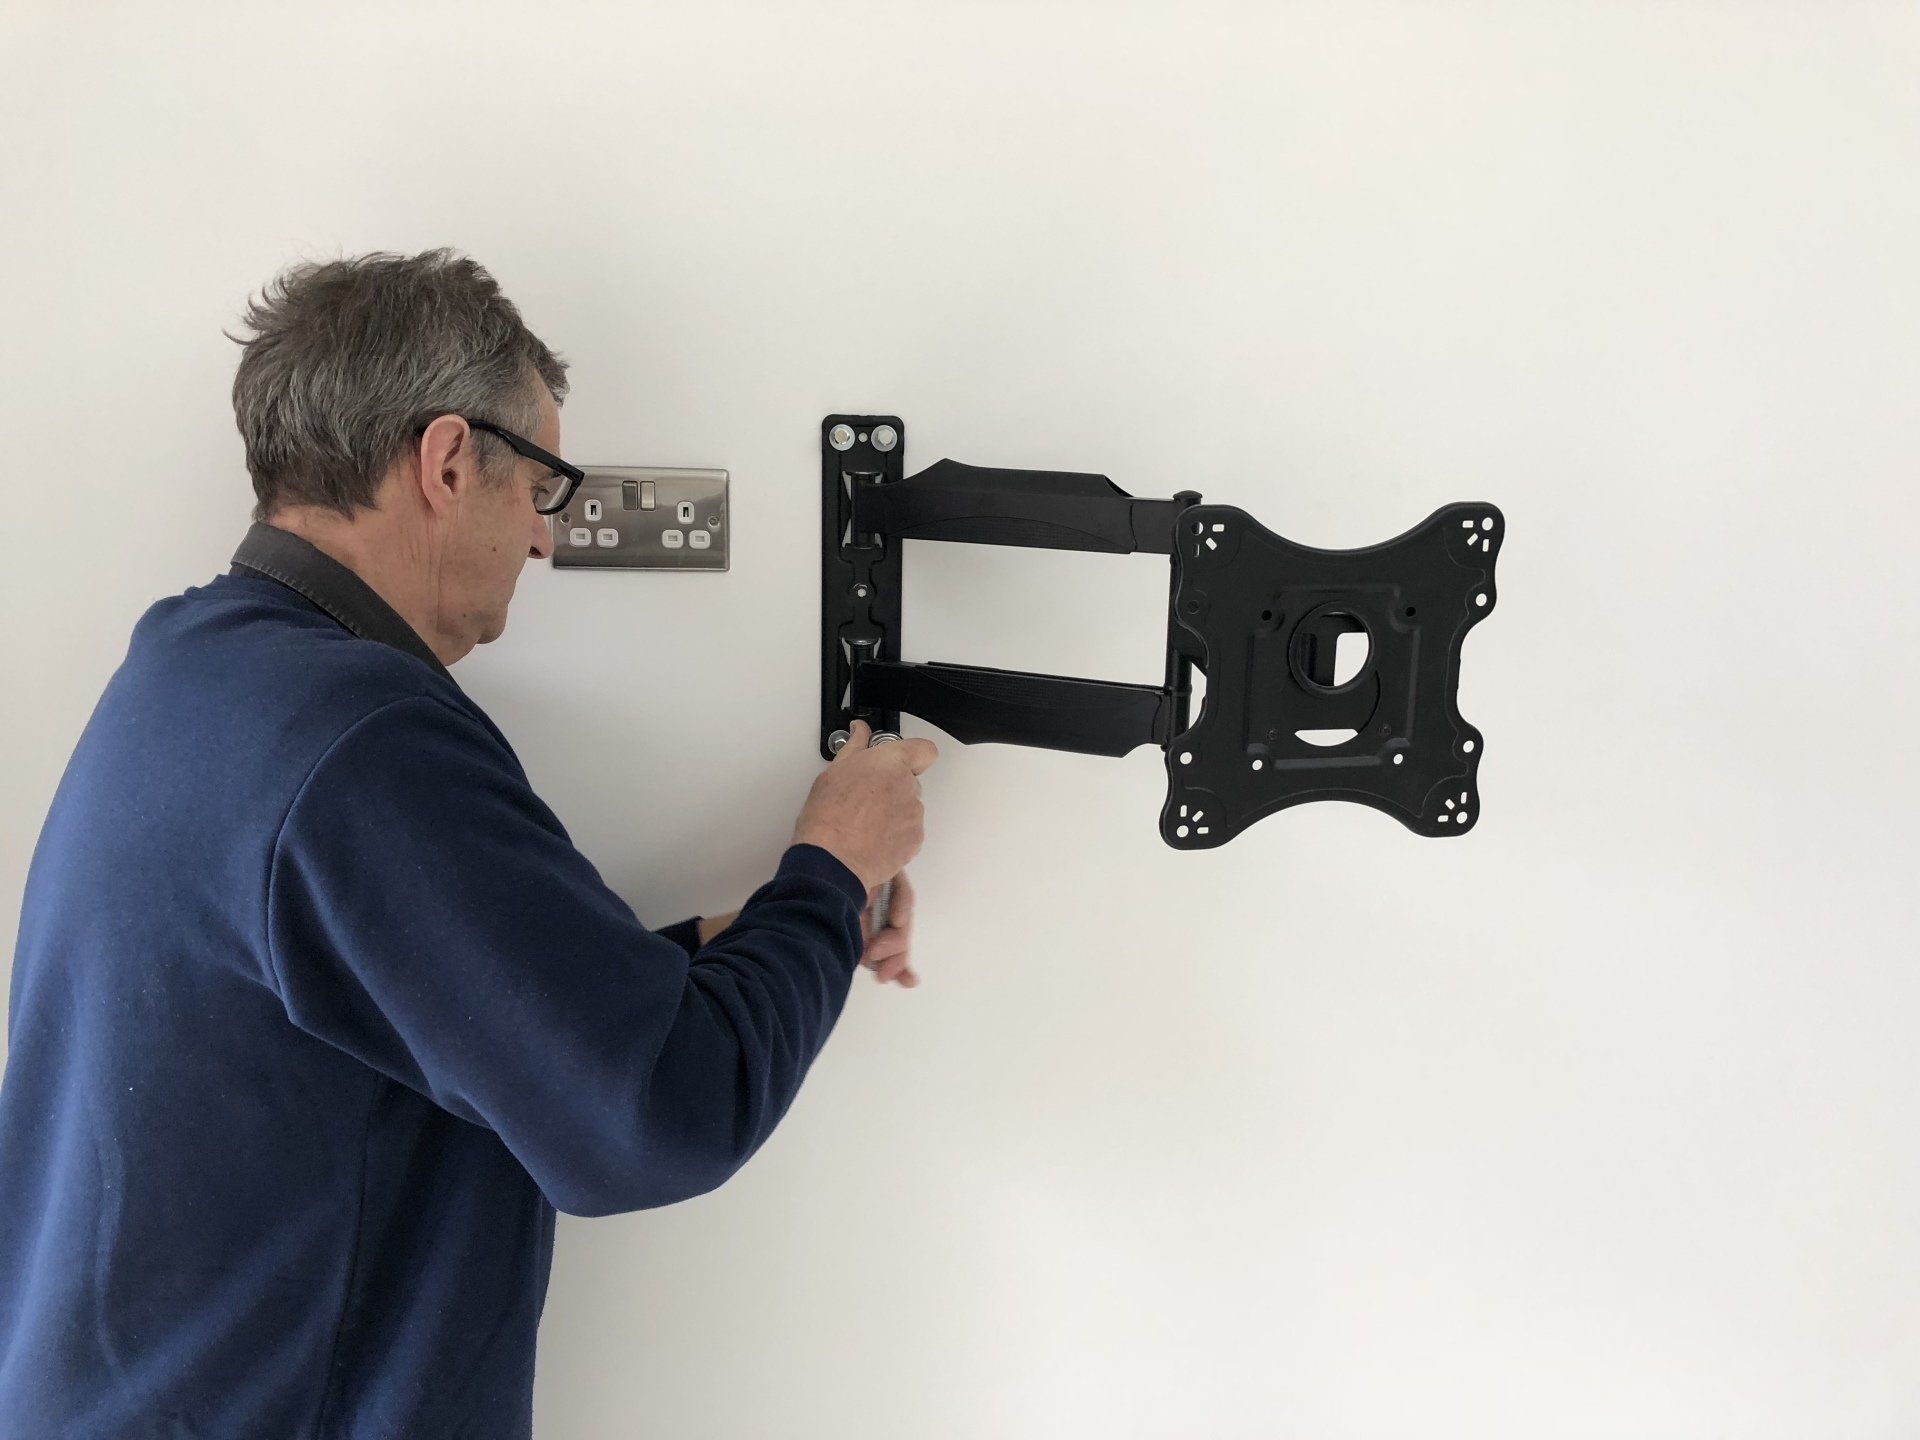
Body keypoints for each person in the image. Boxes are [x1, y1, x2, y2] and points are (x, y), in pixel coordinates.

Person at [0, 247, 938, 1439]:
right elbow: (661, 1116)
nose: (545, 541)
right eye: (541, 486)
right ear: (448, 461)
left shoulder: (191, 668)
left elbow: (410, 1005)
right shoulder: (365, 739)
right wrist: (834, 863)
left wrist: (745, 942)